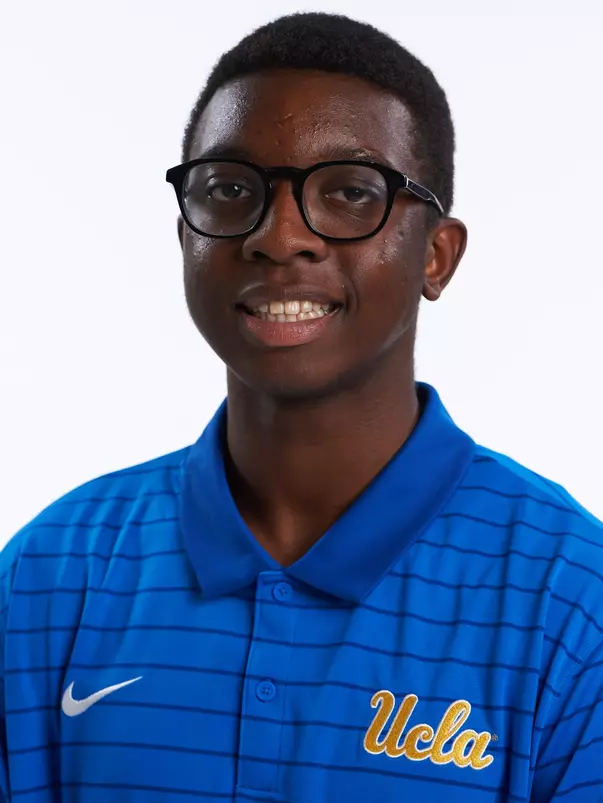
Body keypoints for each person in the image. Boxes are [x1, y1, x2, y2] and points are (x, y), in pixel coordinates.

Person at [1, 11, 602, 803]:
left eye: (351, 191)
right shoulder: (51, 574)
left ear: (436, 254)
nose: (280, 237)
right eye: (229, 189)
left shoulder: (572, 600)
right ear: (185, 235)